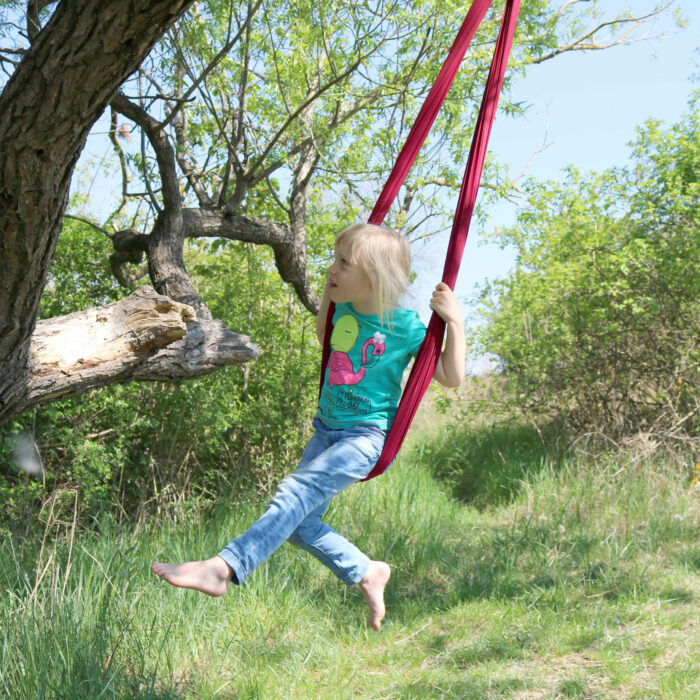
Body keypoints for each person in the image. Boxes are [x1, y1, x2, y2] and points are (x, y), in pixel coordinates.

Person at [151, 223, 466, 629]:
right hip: (326, 430)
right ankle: (368, 571)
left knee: (294, 491)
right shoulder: (345, 311)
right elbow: (326, 338)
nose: (331, 269)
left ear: (375, 275)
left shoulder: (404, 327)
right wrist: (330, 298)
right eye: (335, 260)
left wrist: (454, 323)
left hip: (365, 437)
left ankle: (224, 567)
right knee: (300, 526)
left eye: (343, 263)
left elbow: (450, 376)